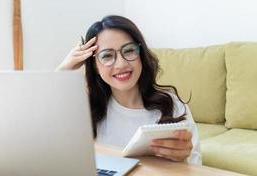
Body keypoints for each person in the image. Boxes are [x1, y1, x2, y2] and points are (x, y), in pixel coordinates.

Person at [56, 15, 201, 165]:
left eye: (129, 50)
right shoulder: (86, 109)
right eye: (107, 56)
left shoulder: (173, 105)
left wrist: (184, 158)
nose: (121, 64)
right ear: (95, 67)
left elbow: (196, 167)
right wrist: (63, 70)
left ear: (141, 54)